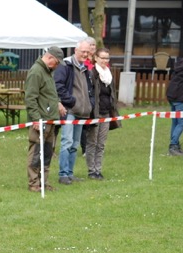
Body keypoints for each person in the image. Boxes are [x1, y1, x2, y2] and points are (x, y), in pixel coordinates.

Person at [24, 47, 67, 192]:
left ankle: (43, 182)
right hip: (41, 120)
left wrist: (58, 103)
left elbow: (49, 94)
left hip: (50, 120)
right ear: (50, 58)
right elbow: (30, 98)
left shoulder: (48, 72)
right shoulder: (36, 72)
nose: (57, 65)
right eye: (56, 62)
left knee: (47, 153)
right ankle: (34, 184)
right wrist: (36, 119)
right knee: (36, 152)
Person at [54, 38, 94, 185]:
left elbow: (89, 90)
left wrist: (90, 104)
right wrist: (71, 101)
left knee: (75, 144)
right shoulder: (65, 65)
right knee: (67, 142)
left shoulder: (86, 69)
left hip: (82, 112)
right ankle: (63, 174)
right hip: (69, 110)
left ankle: (70, 173)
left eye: (87, 52)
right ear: (75, 51)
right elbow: (58, 85)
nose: (85, 54)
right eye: (82, 51)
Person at [86, 47, 119, 180]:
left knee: (101, 144)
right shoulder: (91, 73)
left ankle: (98, 170)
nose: (105, 61)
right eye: (102, 58)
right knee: (92, 142)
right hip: (95, 113)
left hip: (106, 113)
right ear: (96, 58)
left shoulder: (109, 74)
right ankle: (91, 170)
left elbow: (112, 95)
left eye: (107, 58)